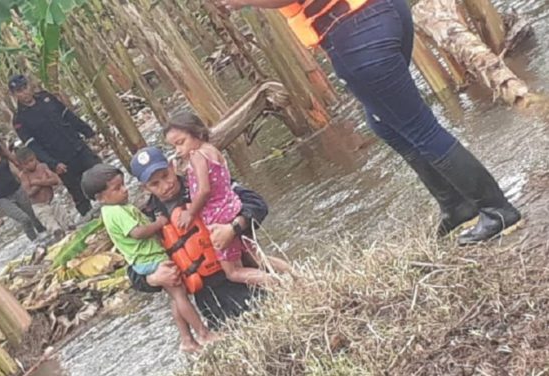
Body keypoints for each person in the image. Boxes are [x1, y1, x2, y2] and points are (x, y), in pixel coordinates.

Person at [218, 0, 521, 245]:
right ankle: (457, 206)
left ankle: (497, 211)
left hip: (355, 30)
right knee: (384, 123)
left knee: (419, 128)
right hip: (383, 13)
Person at [80, 163, 218, 353]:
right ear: (100, 197)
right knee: (180, 296)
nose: (124, 190)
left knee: (176, 297)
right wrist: (159, 223)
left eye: (123, 185)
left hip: (147, 260)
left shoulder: (115, 209)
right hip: (150, 259)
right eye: (117, 188)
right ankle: (204, 334)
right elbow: (137, 233)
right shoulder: (116, 212)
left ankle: (187, 341)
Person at [128, 146, 269, 329]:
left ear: (172, 166)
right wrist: (153, 278)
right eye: (155, 184)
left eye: (165, 175)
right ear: (144, 187)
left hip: (244, 275)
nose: (165, 185)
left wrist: (233, 228)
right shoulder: (148, 219)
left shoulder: (202, 185)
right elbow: (134, 269)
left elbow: (257, 204)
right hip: (211, 301)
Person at [164, 113, 292, 285]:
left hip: (218, 218)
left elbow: (204, 190)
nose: (178, 150)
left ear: (198, 133)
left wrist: (190, 213)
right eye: (174, 146)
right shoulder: (212, 150)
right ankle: (295, 274)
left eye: (181, 143)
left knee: (233, 272)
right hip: (233, 208)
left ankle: (278, 283)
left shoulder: (197, 156)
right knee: (258, 257)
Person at [10, 74, 101, 217]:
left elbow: (69, 117)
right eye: (19, 91)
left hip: (78, 146)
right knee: (78, 193)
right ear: (15, 95)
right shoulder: (19, 119)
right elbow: (34, 147)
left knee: (101, 174)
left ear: (30, 85)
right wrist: (53, 164)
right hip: (61, 160)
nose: (25, 92)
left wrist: (89, 133)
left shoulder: (46, 98)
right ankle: (92, 221)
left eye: (25, 87)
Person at [0, 126, 46, 240]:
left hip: (16, 188)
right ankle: (36, 242)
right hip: (1, 197)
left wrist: (3, 150)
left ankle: (47, 236)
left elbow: (16, 163)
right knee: (24, 219)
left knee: (33, 217)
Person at [16, 147, 74, 241]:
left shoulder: (43, 167)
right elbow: (29, 193)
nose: (30, 164)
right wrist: (43, 181)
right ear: (21, 165)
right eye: (26, 164)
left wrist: (38, 182)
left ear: (35, 157)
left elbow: (56, 180)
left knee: (69, 223)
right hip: (40, 207)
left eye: (32, 160)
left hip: (52, 201)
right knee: (56, 230)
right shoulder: (24, 176)